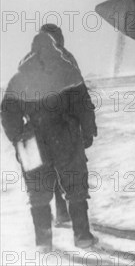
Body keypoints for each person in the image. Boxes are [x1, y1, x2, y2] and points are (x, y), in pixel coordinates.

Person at [1, 33, 98, 251]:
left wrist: (18, 137)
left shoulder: (20, 77)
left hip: (32, 140)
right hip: (66, 135)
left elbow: (7, 113)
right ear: (54, 47)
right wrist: (88, 132)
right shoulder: (68, 71)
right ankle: (82, 236)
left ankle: (43, 242)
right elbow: (84, 105)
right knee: (75, 186)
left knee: (38, 191)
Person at [20, 24, 79, 227]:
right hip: (62, 127)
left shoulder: (27, 61)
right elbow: (77, 93)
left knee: (41, 177)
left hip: (35, 130)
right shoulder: (66, 59)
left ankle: (45, 232)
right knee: (66, 172)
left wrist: (20, 129)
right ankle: (67, 215)